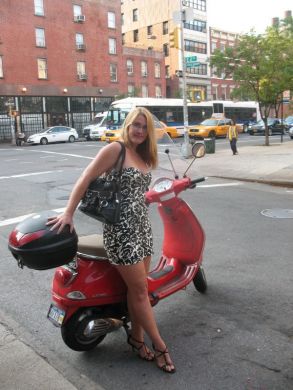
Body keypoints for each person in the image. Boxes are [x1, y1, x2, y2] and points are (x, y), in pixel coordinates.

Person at [47, 107, 175, 374]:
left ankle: (137, 340)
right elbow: (86, 177)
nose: (139, 130)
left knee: (135, 291)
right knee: (141, 293)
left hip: (142, 229)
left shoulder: (141, 155)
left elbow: (136, 191)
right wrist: (68, 212)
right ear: (127, 126)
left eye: (144, 127)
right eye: (135, 125)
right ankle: (161, 346)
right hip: (121, 232)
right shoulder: (115, 150)